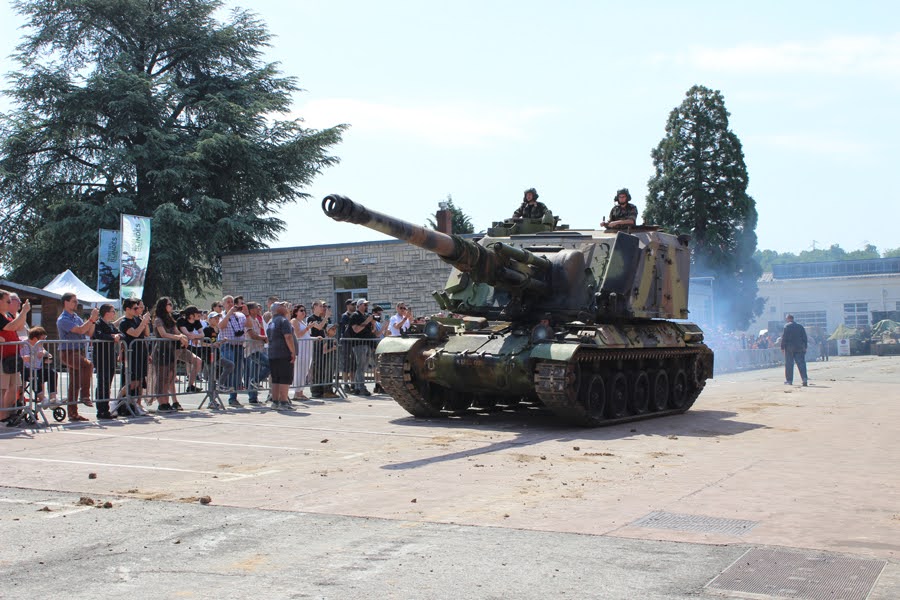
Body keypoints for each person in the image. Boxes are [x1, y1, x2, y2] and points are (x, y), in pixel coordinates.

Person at [55, 292, 97, 422]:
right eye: (73, 301)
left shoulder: (76, 317)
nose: (76, 303)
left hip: (79, 351)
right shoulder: (63, 319)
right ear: (65, 303)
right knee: (88, 364)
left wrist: (93, 320)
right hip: (68, 352)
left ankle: (73, 413)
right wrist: (90, 319)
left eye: (76, 301)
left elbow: (89, 332)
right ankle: (85, 395)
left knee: (75, 382)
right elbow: (79, 330)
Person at [152, 297, 188, 412]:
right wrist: (178, 337)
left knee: (170, 376)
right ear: (163, 306)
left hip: (170, 350)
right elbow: (163, 334)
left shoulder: (170, 319)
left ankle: (167, 401)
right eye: (169, 304)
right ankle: (161, 402)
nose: (171, 306)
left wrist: (183, 337)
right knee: (161, 377)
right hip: (161, 350)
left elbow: (177, 332)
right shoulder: (158, 319)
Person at [116, 298, 151, 416]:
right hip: (132, 353)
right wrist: (143, 322)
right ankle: (117, 400)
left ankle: (137, 403)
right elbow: (135, 333)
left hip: (141, 352)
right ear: (127, 309)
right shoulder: (124, 322)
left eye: (138, 307)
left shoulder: (137, 319)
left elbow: (145, 333)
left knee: (140, 380)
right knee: (132, 381)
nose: (137, 310)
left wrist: (145, 322)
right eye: (135, 308)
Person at [0, 290, 29, 423]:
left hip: (12, 357)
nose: (10, 303)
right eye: (8, 301)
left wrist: (24, 312)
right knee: (3, 387)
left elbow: (19, 326)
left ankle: (5, 414)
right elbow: (11, 327)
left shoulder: (7, 315)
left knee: (14, 386)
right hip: (3, 357)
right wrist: (23, 312)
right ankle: (2, 415)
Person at [91, 303, 121, 420]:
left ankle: (106, 408)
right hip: (101, 357)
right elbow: (98, 335)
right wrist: (112, 337)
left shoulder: (111, 325)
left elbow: (120, 334)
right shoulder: (98, 324)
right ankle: (101, 409)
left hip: (110, 357)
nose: (114, 314)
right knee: (102, 383)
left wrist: (116, 335)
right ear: (107, 313)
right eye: (113, 311)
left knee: (108, 384)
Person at [265, 302, 295, 410]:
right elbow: (288, 337)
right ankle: (283, 402)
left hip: (273, 353)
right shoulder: (284, 321)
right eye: (282, 305)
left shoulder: (271, 322)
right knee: (284, 378)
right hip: (283, 353)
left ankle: (275, 402)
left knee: (276, 379)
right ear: (278, 309)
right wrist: (292, 352)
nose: (285, 307)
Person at [21, 327, 58, 407]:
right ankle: (42, 399)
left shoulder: (39, 345)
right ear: (34, 338)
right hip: (26, 370)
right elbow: (24, 358)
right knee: (34, 377)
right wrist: (35, 355)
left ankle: (53, 399)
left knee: (52, 373)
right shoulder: (24, 344)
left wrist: (47, 356)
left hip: (38, 369)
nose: (44, 340)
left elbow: (44, 353)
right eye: (43, 338)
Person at [348, 299, 376, 396]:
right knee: (361, 367)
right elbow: (356, 330)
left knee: (362, 367)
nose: (366, 306)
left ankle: (356, 387)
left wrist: (372, 323)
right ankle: (361, 387)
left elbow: (372, 331)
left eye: (367, 305)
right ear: (359, 305)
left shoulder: (365, 316)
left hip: (366, 343)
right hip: (359, 344)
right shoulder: (355, 315)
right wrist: (366, 321)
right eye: (364, 304)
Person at [290, 304, 313, 401]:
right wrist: (308, 327)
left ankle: (301, 392)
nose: (303, 312)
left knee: (305, 370)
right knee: (299, 370)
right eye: (301, 310)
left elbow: (306, 336)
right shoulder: (294, 321)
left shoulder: (302, 322)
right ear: (296, 312)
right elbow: (298, 335)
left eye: (304, 310)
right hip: (300, 349)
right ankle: (297, 393)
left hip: (307, 349)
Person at [781, 314, 809, 386]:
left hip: (789, 348)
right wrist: (805, 346)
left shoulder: (786, 326)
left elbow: (784, 338)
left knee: (789, 364)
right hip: (799, 347)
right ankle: (804, 379)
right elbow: (804, 337)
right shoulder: (800, 326)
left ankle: (789, 381)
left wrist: (782, 347)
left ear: (788, 319)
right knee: (801, 364)